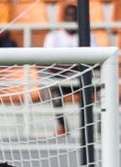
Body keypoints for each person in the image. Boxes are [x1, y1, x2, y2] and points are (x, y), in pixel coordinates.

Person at [43, 4, 89, 137]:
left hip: (82, 78)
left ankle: (90, 127)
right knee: (55, 91)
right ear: (64, 17)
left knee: (98, 88)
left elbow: (92, 63)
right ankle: (62, 127)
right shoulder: (53, 36)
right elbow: (48, 64)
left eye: (74, 15)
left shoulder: (87, 35)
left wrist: (63, 64)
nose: (72, 18)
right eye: (69, 15)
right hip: (61, 79)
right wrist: (75, 64)